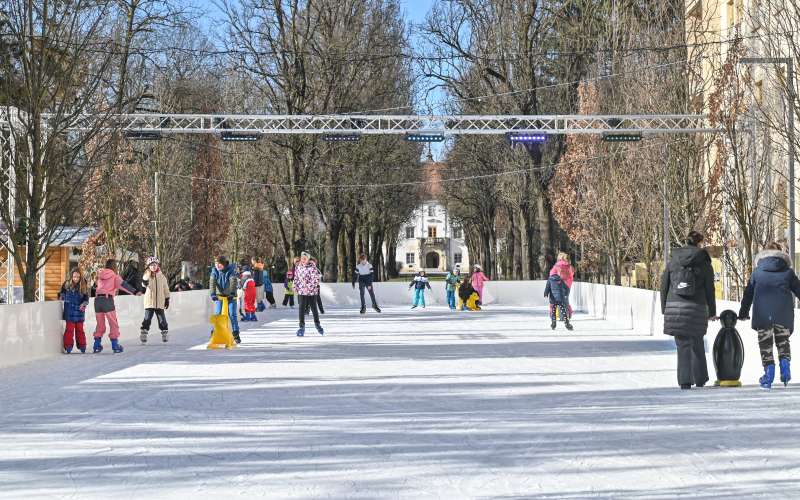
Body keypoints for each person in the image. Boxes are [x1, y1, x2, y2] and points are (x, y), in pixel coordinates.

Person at [738, 242, 800, 389]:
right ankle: (785, 368)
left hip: (763, 315)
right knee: (783, 342)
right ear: (781, 254)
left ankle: (768, 373)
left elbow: (748, 294)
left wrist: (743, 313)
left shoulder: (757, 272)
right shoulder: (788, 272)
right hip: (783, 315)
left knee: (765, 345)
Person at [661, 231, 717, 390]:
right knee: (697, 341)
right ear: (699, 243)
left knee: (683, 345)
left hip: (675, 308)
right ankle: (700, 379)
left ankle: (685, 381)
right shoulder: (705, 263)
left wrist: (664, 308)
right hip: (697, 307)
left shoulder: (673, 261)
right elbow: (709, 290)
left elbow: (664, 285)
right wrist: (712, 312)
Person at [92, 259, 138, 353]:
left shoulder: (100, 276)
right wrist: (135, 291)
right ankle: (115, 345)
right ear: (114, 267)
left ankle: (96, 344)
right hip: (107, 300)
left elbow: (96, 287)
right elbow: (124, 285)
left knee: (100, 324)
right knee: (113, 323)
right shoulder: (114, 277)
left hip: (97, 301)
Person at [210, 256, 241, 344]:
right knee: (217, 313)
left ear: (223, 264)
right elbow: (212, 282)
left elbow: (233, 281)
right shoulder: (214, 271)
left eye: (219, 264)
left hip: (231, 296)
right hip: (219, 295)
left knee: (232, 314)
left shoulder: (230, 271)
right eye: (216, 264)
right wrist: (212, 294)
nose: (217, 266)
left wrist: (231, 293)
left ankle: (236, 334)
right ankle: (214, 332)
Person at [140, 256, 171, 344]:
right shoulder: (147, 274)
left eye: (155, 265)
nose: (153, 266)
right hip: (149, 302)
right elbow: (144, 283)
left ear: (157, 265)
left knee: (162, 320)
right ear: (148, 266)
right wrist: (144, 282)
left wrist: (167, 298)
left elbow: (166, 288)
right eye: (151, 265)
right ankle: (144, 332)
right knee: (147, 319)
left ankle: (164, 332)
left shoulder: (162, 276)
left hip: (160, 302)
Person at [59, 269, 90, 354]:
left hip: (79, 311)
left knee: (80, 329)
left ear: (80, 277)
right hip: (69, 311)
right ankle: (68, 346)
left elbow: (86, 298)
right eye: (74, 277)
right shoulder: (66, 284)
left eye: (78, 277)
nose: (76, 278)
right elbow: (61, 293)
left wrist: (84, 304)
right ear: (71, 276)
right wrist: (62, 297)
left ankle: (82, 345)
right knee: (69, 329)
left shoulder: (83, 285)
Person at [294, 251, 323, 336]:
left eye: (305, 258)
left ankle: (317, 325)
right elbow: (296, 277)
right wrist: (295, 286)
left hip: (311, 292)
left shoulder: (312, 268)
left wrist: (309, 287)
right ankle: (301, 326)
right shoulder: (298, 267)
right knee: (301, 309)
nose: (303, 260)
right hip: (302, 291)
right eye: (302, 258)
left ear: (308, 259)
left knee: (314, 308)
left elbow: (315, 279)